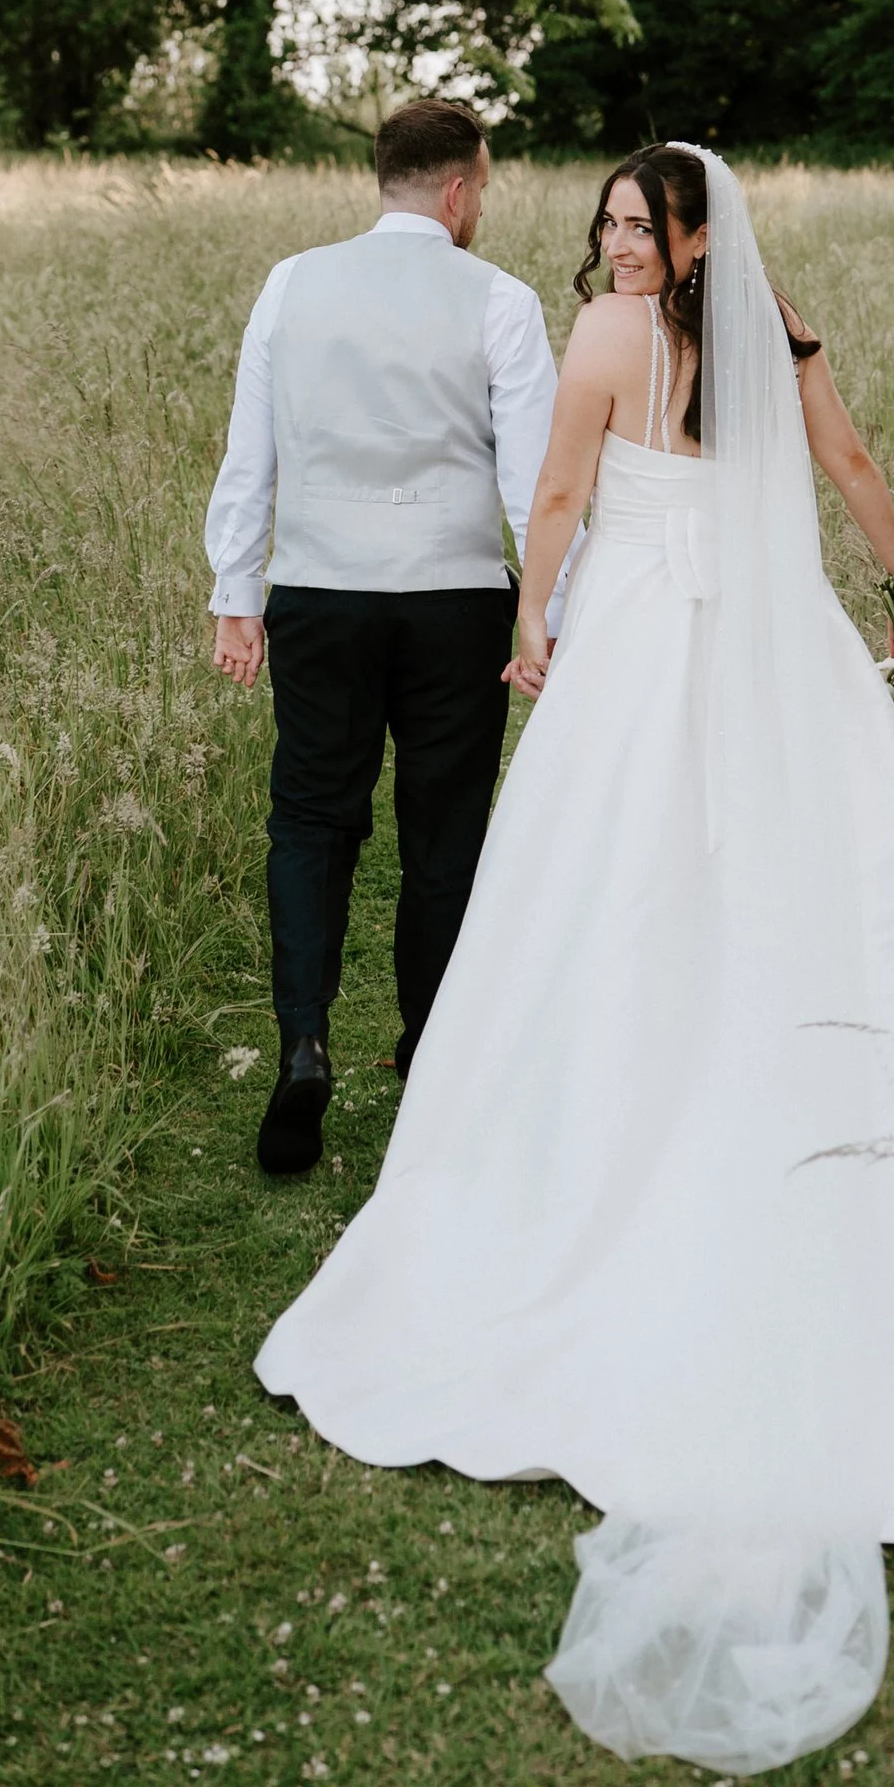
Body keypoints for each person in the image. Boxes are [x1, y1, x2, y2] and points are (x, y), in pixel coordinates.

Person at [255, 141, 894, 1773]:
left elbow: (554, 497)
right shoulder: (774, 326)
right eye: (603, 222)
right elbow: (848, 457)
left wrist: (533, 625)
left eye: (633, 225)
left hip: (640, 654)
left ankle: (640, 1132)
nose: (612, 246)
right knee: (780, 894)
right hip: (777, 646)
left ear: (685, 236)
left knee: (613, 894)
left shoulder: (608, 344)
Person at [206, 97, 558, 1178]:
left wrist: (237, 589)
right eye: (484, 189)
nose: (480, 206)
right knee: (442, 832)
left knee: (312, 819)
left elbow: (250, 446)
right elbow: (534, 484)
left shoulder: (291, 283)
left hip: (319, 592)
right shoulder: (499, 298)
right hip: (455, 598)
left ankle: (305, 1046)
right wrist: (555, 617)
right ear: (458, 190)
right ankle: (430, 1059)